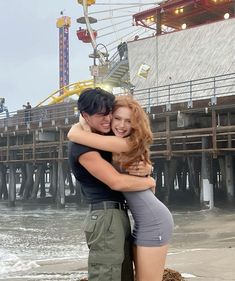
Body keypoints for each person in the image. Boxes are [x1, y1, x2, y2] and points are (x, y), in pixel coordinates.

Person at [68, 95, 174, 281]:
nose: (120, 125)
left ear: (135, 124)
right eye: (116, 118)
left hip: (154, 222)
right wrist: (149, 180)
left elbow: (75, 134)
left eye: (128, 121)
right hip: (139, 223)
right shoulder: (113, 139)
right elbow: (78, 130)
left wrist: (150, 179)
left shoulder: (124, 143)